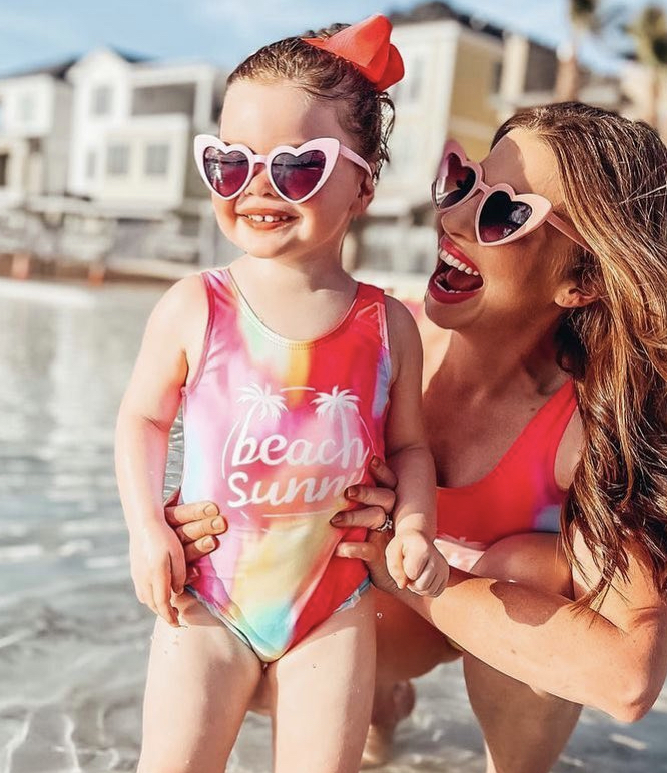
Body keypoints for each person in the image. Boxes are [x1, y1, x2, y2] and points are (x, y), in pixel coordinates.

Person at [168, 101, 667, 772]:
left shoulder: (588, 429)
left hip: (461, 599)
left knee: (530, 567)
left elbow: (626, 680)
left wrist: (410, 571)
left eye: (504, 211)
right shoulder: (376, 341)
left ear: (581, 278)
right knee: (247, 657)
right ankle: (381, 714)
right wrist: (194, 519)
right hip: (375, 614)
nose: (452, 219)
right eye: (461, 181)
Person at [114, 15, 448, 773]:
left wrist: (415, 528)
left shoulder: (385, 322)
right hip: (207, 594)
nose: (257, 187)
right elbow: (141, 417)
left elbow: (410, 446)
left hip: (332, 603)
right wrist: (146, 530)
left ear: (362, 184)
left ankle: (389, 726)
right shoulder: (195, 304)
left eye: (297, 166)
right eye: (230, 164)